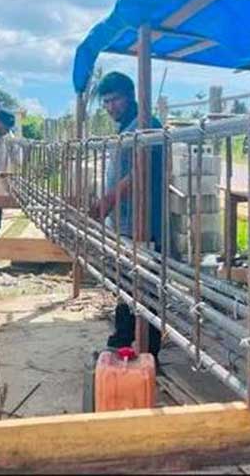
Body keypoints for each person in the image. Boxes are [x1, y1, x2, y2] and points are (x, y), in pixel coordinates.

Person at [88, 71, 164, 360]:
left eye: (114, 100)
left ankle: (149, 352)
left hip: (146, 223)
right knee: (127, 283)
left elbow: (140, 172)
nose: (110, 107)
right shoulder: (126, 128)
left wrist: (109, 199)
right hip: (127, 222)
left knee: (147, 287)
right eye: (105, 102)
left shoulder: (147, 126)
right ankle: (122, 338)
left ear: (131, 96)